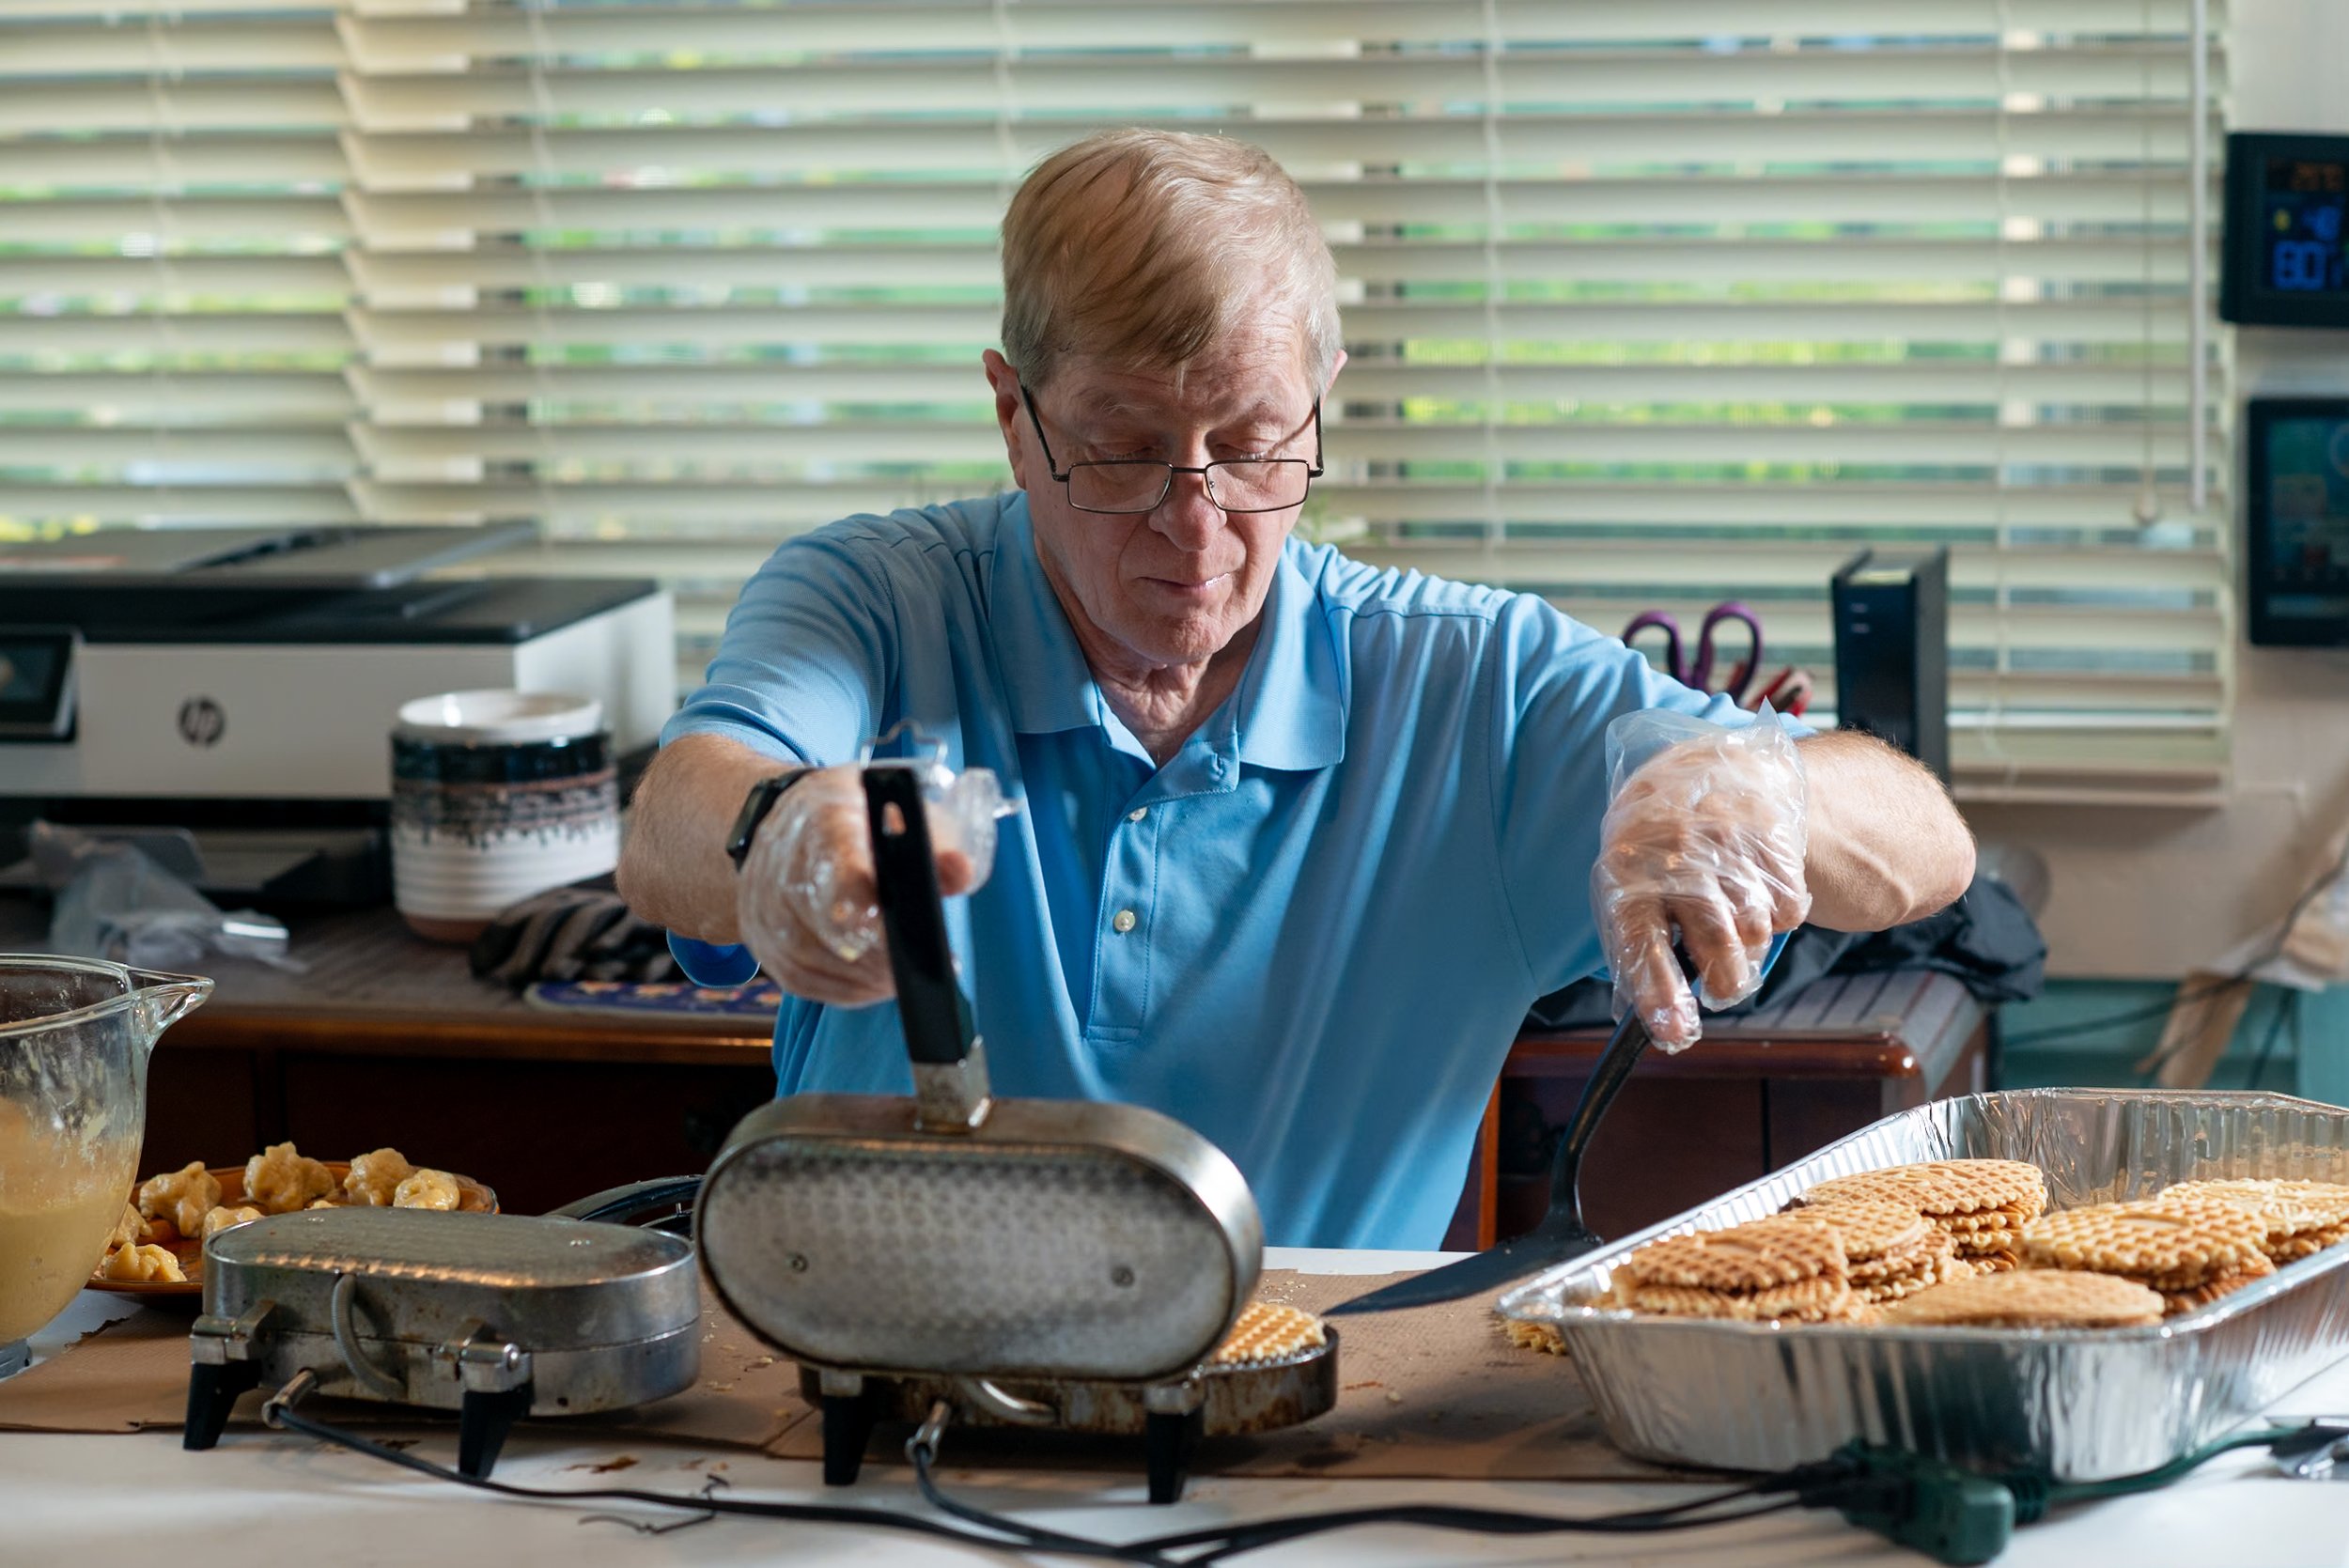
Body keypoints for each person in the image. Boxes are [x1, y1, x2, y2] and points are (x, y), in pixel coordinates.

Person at [618, 129, 1975, 1249]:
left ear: (1321, 397)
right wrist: (775, 834)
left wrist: (1758, 787)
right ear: (1011, 412)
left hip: (1301, 1424)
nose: (1196, 524)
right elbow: (676, 818)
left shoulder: (1466, 684)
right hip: (858, 1390)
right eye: (1124, 449)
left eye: (1255, 445)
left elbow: (1928, 842)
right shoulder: (875, 600)